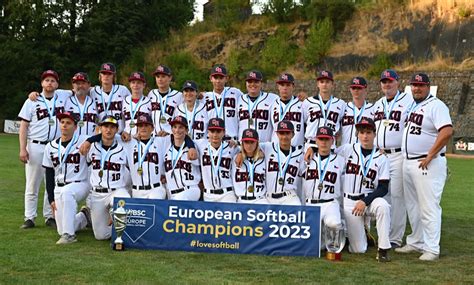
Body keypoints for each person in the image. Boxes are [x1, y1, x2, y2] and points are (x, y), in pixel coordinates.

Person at [396, 73, 453, 261]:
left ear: (428, 86)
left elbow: (446, 131)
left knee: (429, 207)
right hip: (409, 161)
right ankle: (416, 241)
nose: (417, 88)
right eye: (414, 85)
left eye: (421, 85)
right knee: (412, 206)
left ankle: (432, 248)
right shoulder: (413, 105)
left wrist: (431, 154)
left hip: (427, 163)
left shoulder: (436, 105)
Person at [18, 70, 68, 229]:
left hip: (54, 146)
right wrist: (22, 149)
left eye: (53, 81)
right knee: (32, 184)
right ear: (41, 83)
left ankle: (50, 216)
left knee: (52, 183)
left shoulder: (63, 97)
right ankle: (29, 217)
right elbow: (24, 126)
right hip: (36, 145)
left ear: (57, 84)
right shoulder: (32, 101)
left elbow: (80, 88)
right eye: (47, 80)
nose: (50, 83)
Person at [337, 118, 391, 262]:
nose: (365, 136)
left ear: (374, 134)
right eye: (361, 132)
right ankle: (363, 231)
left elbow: (383, 188)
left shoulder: (381, 157)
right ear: (357, 134)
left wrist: (365, 201)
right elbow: (326, 150)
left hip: (369, 199)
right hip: (350, 202)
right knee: (358, 250)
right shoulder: (347, 149)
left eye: (368, 132)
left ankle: (383, 249)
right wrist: (312, 148)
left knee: (383, 206)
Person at [372, 69, 413, 248]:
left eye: (390, 81)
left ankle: (395, 237)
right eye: (384, 82)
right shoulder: (379, 104)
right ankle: (384, 234)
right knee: (383, 194)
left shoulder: (408, 101)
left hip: (398, 155)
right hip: (381, 155)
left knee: (397, 196)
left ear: (398, 82)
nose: (386, 84)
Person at [42, 112, 91, 244]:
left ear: (75, 127)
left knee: (67, 192)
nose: (64, 125)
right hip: (59, 187)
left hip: (80, 183)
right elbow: (49, 173)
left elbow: (101, 136)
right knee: (61, 228)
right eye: (62, 122)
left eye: (68, 123)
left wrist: (89, 141)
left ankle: (69, 236)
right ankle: (84, 217)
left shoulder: (82, 140)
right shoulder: (50, 146)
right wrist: (51, 199)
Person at [86, 115, 131, 240]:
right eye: (105, 126)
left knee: (124, 200)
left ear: (117, 130)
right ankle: (118, 229)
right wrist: (89, 140)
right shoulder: (91, 146)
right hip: (97, 193)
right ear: (100, 128)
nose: (108, 130)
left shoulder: (124, 147)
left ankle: (116, 218)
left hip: (116, 190)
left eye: (112, 127)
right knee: (101, 236)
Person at [301, 126, 345, 230]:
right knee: (312, 237)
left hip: (330, 203)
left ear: (332, 140)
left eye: (327, 139)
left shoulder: (341, 160)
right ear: (316, 140)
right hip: (310, 202)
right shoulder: (306, 158)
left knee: (334, 224)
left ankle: (335, 238)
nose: (323, 142)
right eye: (321, 139)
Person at [195, 118, 238, 202]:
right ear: (208, 132)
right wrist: (191, 147)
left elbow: (248, 149)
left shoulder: (231, 147)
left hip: (227, 194)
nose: (215, 135)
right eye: (212, 131)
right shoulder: (201, 145)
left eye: (218, 131)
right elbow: (184, 138)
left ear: (224, 132)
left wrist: (239, 148)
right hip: (208, 195)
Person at [261, 121, 302, 205]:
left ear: (293, 134)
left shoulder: (300, 153)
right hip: (269, 198)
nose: (284, 136)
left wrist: (312, 149)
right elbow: (249, 147)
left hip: (290, 197)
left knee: (298, 213)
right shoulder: (268, 147)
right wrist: (240, 153)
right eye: (281, 133)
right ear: (277, 134)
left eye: (287, 133)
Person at [162, 116, 201, 201]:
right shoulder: (166, 148)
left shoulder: (194, 147)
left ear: (186, 130)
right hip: (171, 193)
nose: (177, 130)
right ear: (171, 129)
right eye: (175, 127)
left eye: (181, 127)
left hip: (190, 189)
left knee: (179, 199)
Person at [302, 70, 346, 145]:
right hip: (311, 143)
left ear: (332, 84)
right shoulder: (308, 102)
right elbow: (304, 123)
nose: (324, 84)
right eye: (322, 82)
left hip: (330, 145)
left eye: (327, 82)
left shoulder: (341, 103)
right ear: (317, 84)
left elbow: (342, 126)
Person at [203, 64, 243, 141]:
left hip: (231, 141)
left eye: (221, 78)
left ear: (226, 78)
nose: (218, 81)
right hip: (211, 141)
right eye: (215, 78)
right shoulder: (205, 97)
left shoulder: (235, 93)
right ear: (211, 78)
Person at [237, 70, 278, 142]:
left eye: (256, 82)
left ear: (261, 83)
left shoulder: (273, 99)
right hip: (243, 147)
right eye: (250, 82)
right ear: (246, 83)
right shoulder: (239, 99)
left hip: (264, 147)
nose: (253, 84)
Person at [91, 63, 131, 134]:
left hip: (120, 134)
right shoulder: (93, 92)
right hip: (102, 134)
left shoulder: (122, 90)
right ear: (100, 75)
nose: (106, 76)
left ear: (114, 76)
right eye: (104, 73)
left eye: (109, 74)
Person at [233, 129, 268, 204]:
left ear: (257, 143)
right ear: (242, 143)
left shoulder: (265, 159)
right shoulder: (235, 158)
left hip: (260, 200)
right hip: (240, 201)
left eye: (252, 142)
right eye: (246, 142)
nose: (249, 145)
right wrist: (240, 152)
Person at [147, 64, 183, 136]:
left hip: (170, 136)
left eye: (163, 76)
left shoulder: (178, 95)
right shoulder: (151, 94)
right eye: (158, 77)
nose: (160, 79)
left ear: (170, 78)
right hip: (153, 137)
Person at [270, 73, 305, 147]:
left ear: (293, 86)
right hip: (276, 149)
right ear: (278, 87)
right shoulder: (272, 105)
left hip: (296, 149)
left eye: (288, 85)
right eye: (282, 85)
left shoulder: (302, 104)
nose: (285, 88)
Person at [340, 77, 375, 145]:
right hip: (346, 150)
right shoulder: (343, 107)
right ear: (350, 89)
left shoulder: (373, 108)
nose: (356, 90)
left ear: (365, 89)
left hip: (365, 151)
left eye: (359, 88)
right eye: (354, 88)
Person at [121, 72, 152, 141]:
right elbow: (122, 120)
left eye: (139, 83)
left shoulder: (149, 102)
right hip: (126, 139)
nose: (136, 85)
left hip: (142, 139)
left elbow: (152, 123)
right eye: (133, 82)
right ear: (130, 85)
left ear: (144, 85)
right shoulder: (124, 101)